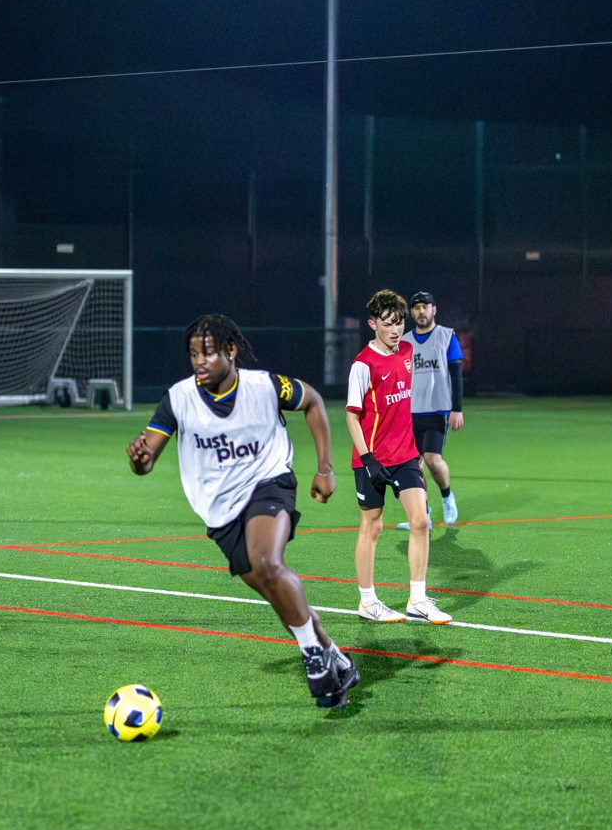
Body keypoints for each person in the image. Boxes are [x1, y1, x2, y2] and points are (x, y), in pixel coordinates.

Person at [126, 313, 360, 710]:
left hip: (269, 482)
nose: (200, 361)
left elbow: (315, 401)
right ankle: (337, 660)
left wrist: (325, 469)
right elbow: (146, 461)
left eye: (209, 353)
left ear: (231, 351)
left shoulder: (265, 386)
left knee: (267, 561)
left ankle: (312, 658)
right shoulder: (177, 399)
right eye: (194, 354)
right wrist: (140, 458)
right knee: (275, 591)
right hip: (220, 510)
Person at [345, 289, 452, 625]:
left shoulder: (407, 350)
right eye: (388, 323)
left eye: (399, 322)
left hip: (406, 454)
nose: (395, 329)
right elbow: (352, 415)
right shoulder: (363, 364)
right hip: (372, 458)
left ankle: (417, 599)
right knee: (372, 527)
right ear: (373, 324)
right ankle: (367, 602)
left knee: (420, 521)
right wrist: (368, 459)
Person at [398, 291, 465, 527]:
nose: (420, 311)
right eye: (416, 307)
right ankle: (422, 515)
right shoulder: (404, 341)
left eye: (425, 307)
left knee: (432, 458)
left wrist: (457, 409)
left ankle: (447, 497)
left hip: (437, 411)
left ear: (433, 310)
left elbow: (456, 375)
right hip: (410, 413)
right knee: (414, 465)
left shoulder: (446, 336)